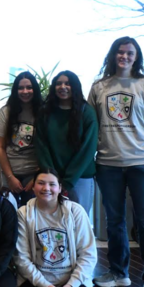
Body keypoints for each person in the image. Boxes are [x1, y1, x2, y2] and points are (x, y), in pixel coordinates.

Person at [88, 36, 144, 287]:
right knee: (114, 221)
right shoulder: (99, 87)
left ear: (137, 57)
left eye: (130, 53)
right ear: (112, 55)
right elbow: (91, 126)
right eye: (120, 52)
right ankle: (118, 272)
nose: (124, 56)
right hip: (108, 163)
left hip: (143, 162)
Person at [14, 169, 97, 287]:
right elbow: (21, 259)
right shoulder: (23, 213)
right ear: (33, 187)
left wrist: (71, 285)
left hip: (72, 281)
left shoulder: (76, 212)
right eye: (41, 183)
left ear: (60, 188)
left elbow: (88, 255)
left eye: (52, 184)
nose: (46, 188)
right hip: (39, 282)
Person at [35, 71, 98, 215]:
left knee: (79, 221)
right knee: (52, 220)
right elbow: (41, 146)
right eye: (58, 84)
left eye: (67, 83)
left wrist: (69, 180)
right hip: (52, 179)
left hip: (80, 177)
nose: (62, 87)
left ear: (75, 87)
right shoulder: (45, 113)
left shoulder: (86, 112)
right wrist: (51, 175)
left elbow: (88, 149)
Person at [0, 71, 43, 207]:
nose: (25, 91)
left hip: (34, 174)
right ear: (15, 90)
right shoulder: (5, 111)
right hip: (9, 173)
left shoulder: (44, 112)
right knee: (8, 213)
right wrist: (10, 177)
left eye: (29, 87)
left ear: (35, 89)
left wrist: (37, 177)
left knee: (32, 214)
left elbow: (48, 147)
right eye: (20, 88)